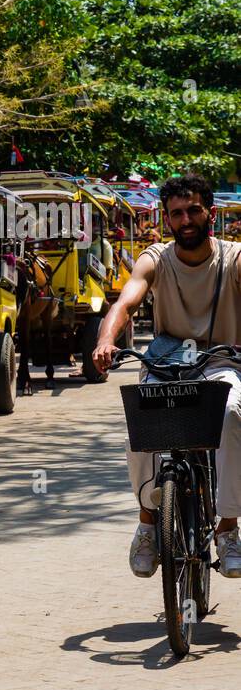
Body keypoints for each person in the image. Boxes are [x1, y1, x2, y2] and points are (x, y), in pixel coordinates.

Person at [93, 174, 241, 578]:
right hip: (167, 365)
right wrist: (106, 339)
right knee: (139, 427)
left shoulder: (234, 257)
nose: (186, 219)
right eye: (177, 213)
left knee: (230, 417)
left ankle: (228, 528)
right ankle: (146, 523)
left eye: (194, 210)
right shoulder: (155, 258)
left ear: (210, 212)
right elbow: (126, 300)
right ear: (167, 218)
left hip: (221, 363)